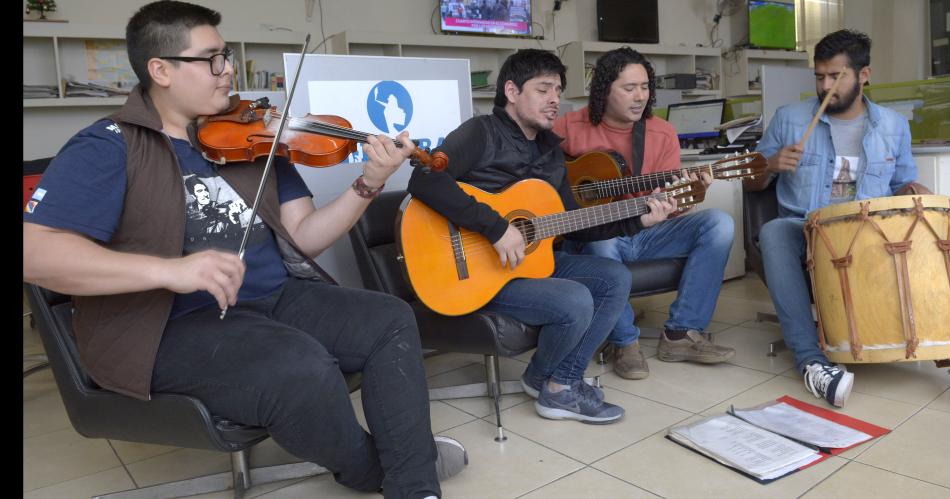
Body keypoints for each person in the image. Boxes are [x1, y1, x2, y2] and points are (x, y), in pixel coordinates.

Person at [21, 2, 466, 498]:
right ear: (161, 70)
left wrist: (368, 182)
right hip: (169, 326)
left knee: (390, 319)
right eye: (211, 58)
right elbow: (37, 255)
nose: (228, 69)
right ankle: (372, 471)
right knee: (301, 367)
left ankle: (412, 484)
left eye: (227, 55)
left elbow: (306, 234)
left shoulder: (253, 137)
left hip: (273, 298)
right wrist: (171, 271)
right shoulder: (109, 146)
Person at [408, 49, 673, 425]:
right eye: (544, 89)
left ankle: (553, 382)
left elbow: (574, 222)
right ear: (512, 91)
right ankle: (560, 388)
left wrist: (637, 221)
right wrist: (496, 227)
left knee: (614, 278)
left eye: (559, 90)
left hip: (529, 264)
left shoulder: (551, 152)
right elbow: (424, 179)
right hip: (478, 271)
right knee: (576, 297)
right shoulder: (479, 132)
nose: (555, 99)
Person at [746, 29, 917, 408]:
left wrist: (920, 195)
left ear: (864, 75)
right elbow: (752, 181)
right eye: (819, 77)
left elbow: (904, 182)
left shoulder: (892, 125)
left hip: (869, 231)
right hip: (806, 228)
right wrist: (770, 165)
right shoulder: (789, 119)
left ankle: (935, 337)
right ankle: (812, 362)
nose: (825, 86)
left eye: (835, 77)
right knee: (774, 232)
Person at [553, 47, 736, 380]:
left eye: (645, 87)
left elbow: (673, 204)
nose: (639, 97)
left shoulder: (661, 132)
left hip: (651, 229)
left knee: (719, 224)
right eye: (629, 88)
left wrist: (689, 194)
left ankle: (681, 334)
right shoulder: (569, 126)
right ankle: (624, 341)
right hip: (601, 235)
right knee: (602, 241)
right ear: (604, 90)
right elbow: (539, 173)